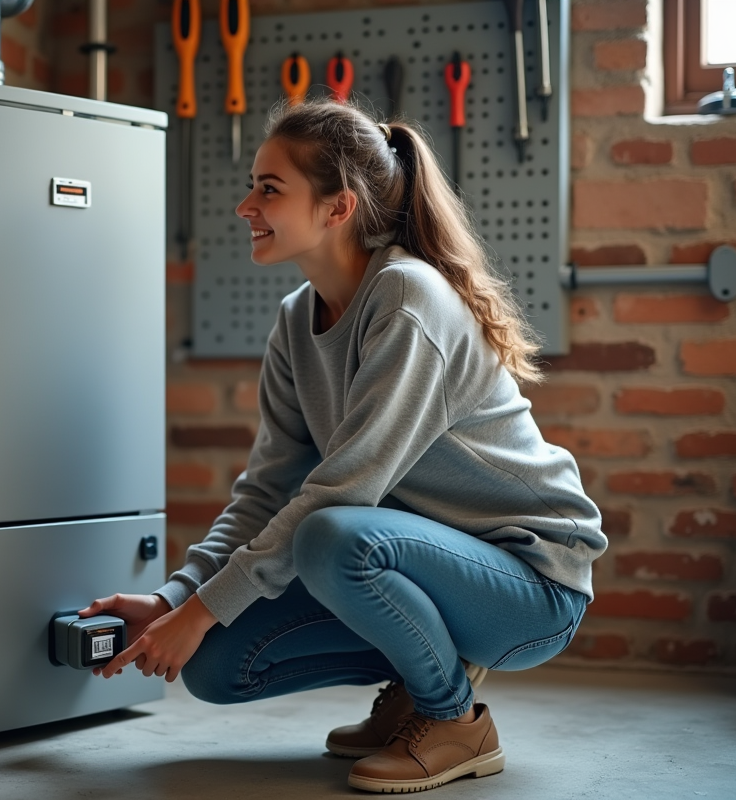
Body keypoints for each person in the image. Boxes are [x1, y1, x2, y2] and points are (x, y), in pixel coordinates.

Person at [78, 100, 606, 794]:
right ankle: (417, 686)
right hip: (422, 560)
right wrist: (180, 599)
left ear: (337, 208)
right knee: (213, 665)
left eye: (270, 188)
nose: (245, 205)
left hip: (530, 585)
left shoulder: (408, 300)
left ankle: (453, 718)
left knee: (333, 535)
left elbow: (344, 493)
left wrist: (202, 609)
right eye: (252, 185)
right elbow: (265, 492)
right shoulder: (296, 322)